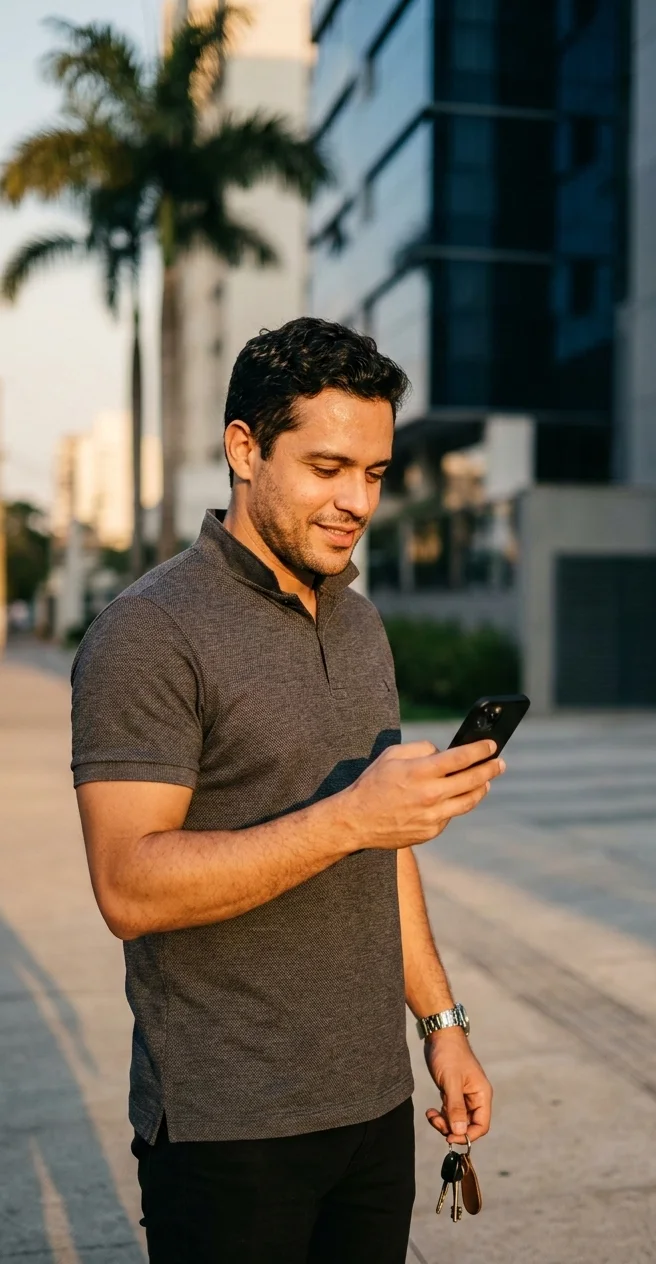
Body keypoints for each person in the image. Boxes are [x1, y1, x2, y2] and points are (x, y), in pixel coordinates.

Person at [70, 317, 504, 1263]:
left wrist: (442, 1026)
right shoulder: (149, 632)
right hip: (229, 1132)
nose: (358, 501)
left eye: (375, 473)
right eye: (328, 468)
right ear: (244, 449)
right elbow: (128, 887)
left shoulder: (360, 624)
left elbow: (380, 849)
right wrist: (349, 817)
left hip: (375, 1109)